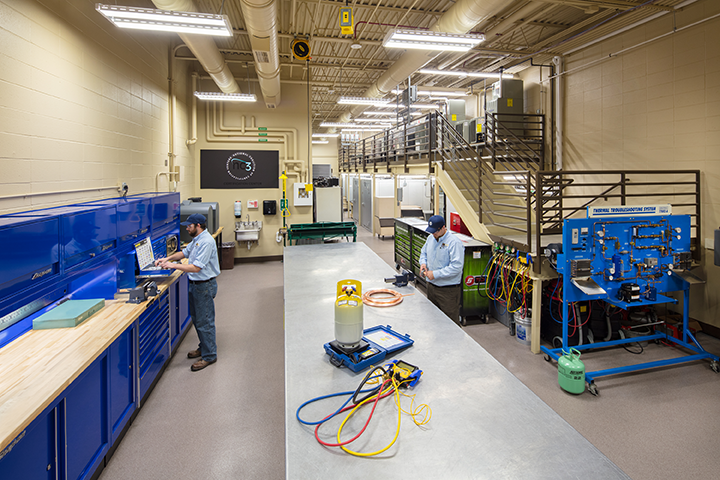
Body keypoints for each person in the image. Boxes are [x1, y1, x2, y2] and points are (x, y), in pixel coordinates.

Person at [156, 213, 221, 371]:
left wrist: (173, 266)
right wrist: (168, 259)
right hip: (196, 284)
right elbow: (184, 253)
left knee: (205, 322)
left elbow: (196, 267)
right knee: (198, 320)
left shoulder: (206, 241)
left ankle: (209, 355)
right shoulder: (198, 239)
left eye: (189, 226)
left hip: (204, 285)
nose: (187, 228)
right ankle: (203, 347)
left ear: (198, 226)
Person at [419, 215, 465, 325]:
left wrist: (435, 274)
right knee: (433, 319)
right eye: (431, 231)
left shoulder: (454, 243)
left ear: (443, 227)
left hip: (447, 290)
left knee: (450, 323)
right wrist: (423, 263)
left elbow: (456, 267)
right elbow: (423, 253)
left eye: (435, 231)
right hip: (431, 287)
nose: (433, 234)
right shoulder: (430, 238)